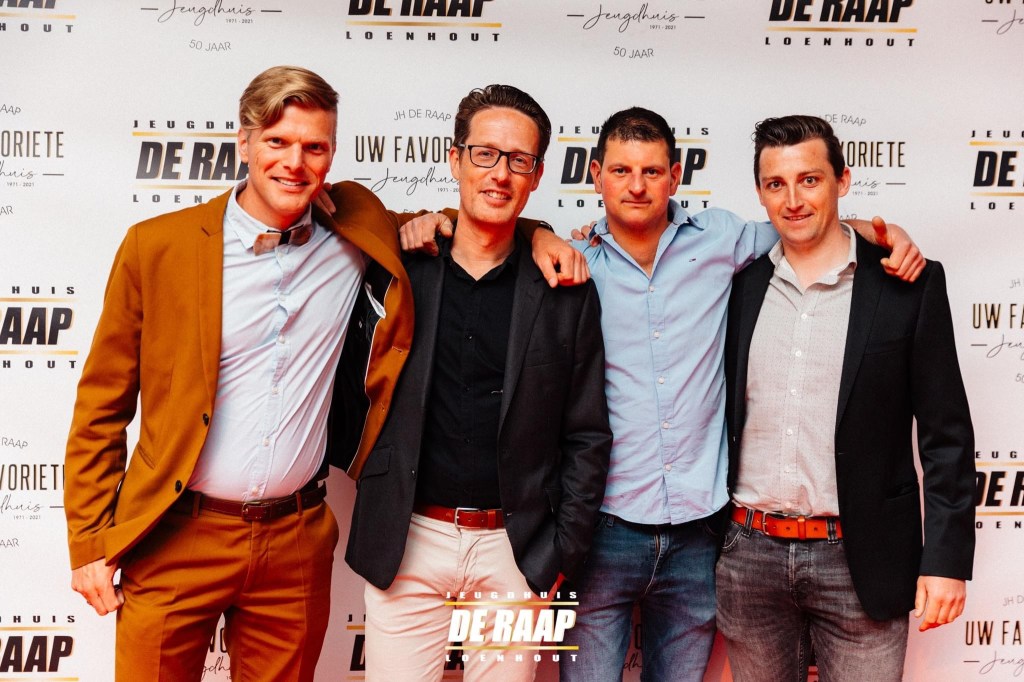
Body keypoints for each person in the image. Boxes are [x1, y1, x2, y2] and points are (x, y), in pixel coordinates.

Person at [63, 66, 581, 681]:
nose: (294, 162)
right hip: (176, 533)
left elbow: (476, 218)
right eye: (277, 142)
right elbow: (102, 405)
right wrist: (90, 541)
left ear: (331, 156)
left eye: (314, 147)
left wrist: (537, 233)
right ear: (244, 143)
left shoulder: (356, 228)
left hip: (295, 540)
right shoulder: (157, 246)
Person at [555, 107, 925, 682]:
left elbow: (805, 224)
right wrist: (532, 233)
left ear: (676, 177)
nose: (637, 186)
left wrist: (884, 232)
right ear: (596, 175)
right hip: (601, 531)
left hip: (700, 537)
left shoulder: (723, 238)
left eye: (652, 171)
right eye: (621, 170)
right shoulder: (570, 262)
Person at [343, 84, 612, 682]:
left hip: (514, 548)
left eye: (519, 160)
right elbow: (340, 205)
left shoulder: (564, 288)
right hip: (407, 538)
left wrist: (561, 551)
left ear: (537, 174)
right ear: (455, 158)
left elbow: (588, 433)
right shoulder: (401, 267)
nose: (499, 174)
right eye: (485, 154)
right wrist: (413, 222)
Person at [717, 114, 974, 681]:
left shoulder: (907, 284)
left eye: (809, 180)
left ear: (843, 180)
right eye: (776, 184)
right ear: (760, 192)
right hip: (749, 557)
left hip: (863, 559)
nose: (793, 200)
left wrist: (947, 561)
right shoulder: (738, 285)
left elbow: (947, 437)